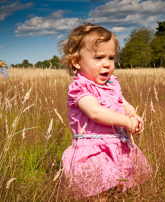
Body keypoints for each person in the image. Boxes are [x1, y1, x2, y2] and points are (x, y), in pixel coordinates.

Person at [59, 23, 152, 200]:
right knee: (99, 193)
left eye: (111, 58)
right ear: (77, 62)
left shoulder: (111, 84)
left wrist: (133, 116)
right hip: (94, 150)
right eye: (99, 57)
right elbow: (95, 112)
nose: (107, 64)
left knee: (119, 189)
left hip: (117, 144)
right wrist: (125, 122)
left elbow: (122, 103)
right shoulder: (80, 87)